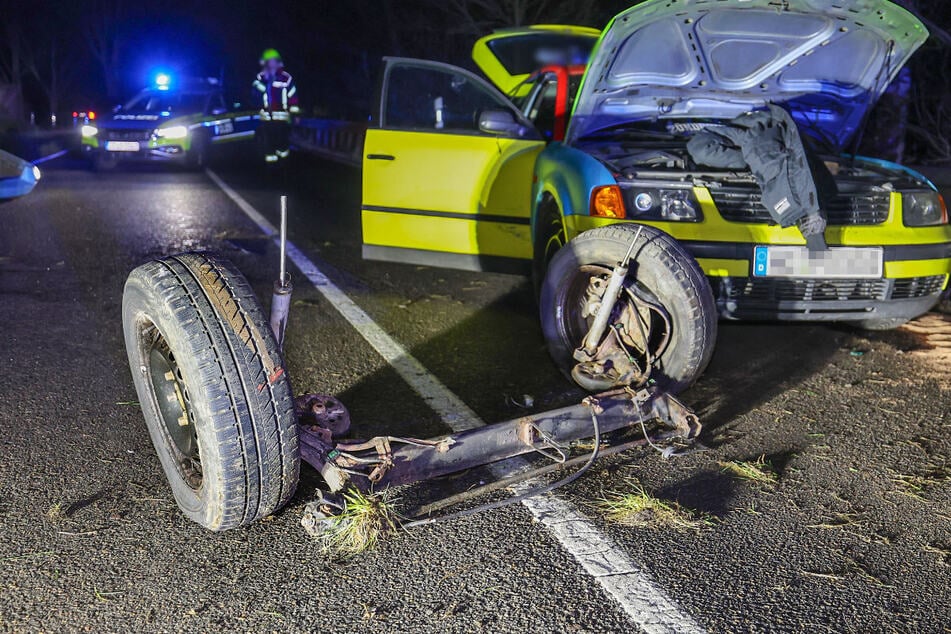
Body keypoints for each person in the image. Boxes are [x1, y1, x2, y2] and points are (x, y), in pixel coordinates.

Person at [253, 48, 299, 163]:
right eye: (269, 61)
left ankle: (284, 164)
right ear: (265, 63)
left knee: (283, 144)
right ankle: (271, 168)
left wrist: (295, 115)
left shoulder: (286, 78)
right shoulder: (260, 78)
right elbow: (255, 94)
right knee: (269, 145)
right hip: (266, 119)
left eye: (274, 61)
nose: (272, 63)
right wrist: (266, 82)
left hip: (282, 119)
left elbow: (293, 97)